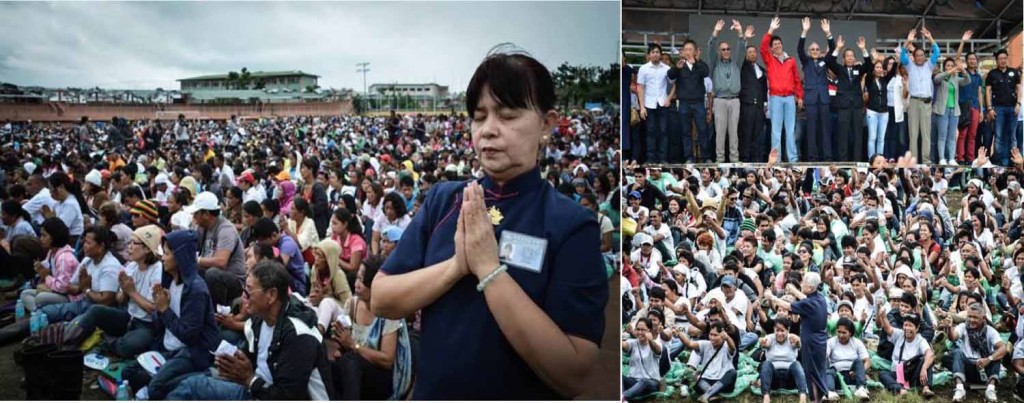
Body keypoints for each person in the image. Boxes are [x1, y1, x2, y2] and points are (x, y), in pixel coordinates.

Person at [372, 48, 607, 399]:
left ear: (547, 124)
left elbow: (573, 371)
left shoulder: (571, 225)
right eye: (479, 116)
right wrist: (455, 267)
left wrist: (489, 270)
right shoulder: (443, 201)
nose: (489, 131)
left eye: (508, 115)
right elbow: (382, 296)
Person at [168, 260, 335, 400]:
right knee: (191, 379)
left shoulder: (299, 336)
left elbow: (288, 397)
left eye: (248, 291)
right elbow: (252, 358)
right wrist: (233, 363)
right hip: (257, 390)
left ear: (271, 295)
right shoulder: (259, 319)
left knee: (192, 387)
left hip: (266, 394)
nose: (243, 298)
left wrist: (249, 379)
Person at [121, 229, 220, 400]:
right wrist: (159, 310)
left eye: (167, 254)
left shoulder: (195, 289)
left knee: (155, 388)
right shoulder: (169, 280)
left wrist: (164, 310)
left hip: (190, 351)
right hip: (167, 348)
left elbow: (189, 336)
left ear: (180, 257)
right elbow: (160, 322)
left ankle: (196, 375)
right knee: (128, 373)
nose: (163, 258)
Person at [69, 225, 163, 357]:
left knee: (130, 345)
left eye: (133, 243)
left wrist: (132, 292)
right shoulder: (132, 267)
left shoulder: (157, 271)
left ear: (147, 248)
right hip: (129, 317)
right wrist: (124, 291)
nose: (128, 247)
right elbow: (119, 300)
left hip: (147, 324)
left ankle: (105, 344)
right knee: (96, 311)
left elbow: (154, 309)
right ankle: (68, 344)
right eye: (128, 242)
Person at [329, 255, 412, 400]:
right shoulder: (352, 305)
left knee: (351, 361)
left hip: (379, 378)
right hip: (354, 374)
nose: (357, 284)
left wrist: (353, 346)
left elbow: (387, 360)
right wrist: (338, 341)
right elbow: (342, 339)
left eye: (363, 280)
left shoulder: (388, 313)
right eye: (357, 278)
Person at [765, 271, 828, 402]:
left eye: (803, 283)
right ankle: (821, 397)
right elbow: (805, 298)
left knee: (811, 373)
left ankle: (816, 400)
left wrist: (771, 296)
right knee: (818, 371)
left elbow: (787, 305)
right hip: (820, 340)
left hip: (810, 341)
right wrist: (793, 290)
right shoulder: (820, 298)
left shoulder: (808, 304)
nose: (801, 284)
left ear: (810, 287)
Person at [39, 226, 120, 322]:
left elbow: (106, 301)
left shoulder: (110, 267)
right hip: (83, 303)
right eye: (84, 242)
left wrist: (86, 289)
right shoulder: (87, 260)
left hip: (100, 312)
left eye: (88, 243)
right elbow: (71, 286)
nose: (84, 246)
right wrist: (81, 288)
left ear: (101, 246)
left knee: (73, 326)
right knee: (44, 312)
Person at [192, 191, 246, 306]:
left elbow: (221, 262)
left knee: (212, 273)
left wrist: (196, 260)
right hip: (212, 273)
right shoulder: (203, 227)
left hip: (233, 280)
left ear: (206, 214)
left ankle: (218, 311)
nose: (193, 216)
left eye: (196, 213)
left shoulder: (225, 229)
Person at [761, 17, 804, 162]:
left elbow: (796, 79)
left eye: (779, 43)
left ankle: (792, 158)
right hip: (776, 98)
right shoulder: (769, 60)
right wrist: (771, 30)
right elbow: (762, 47)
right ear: (772, 48)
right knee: (776, 130)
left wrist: (799, 96)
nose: (778, 45)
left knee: (790, 130)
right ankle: (776, 159)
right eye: (775, 44)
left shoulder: (790, 60)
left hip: (790, 98)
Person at [943, 303, 1005, 402]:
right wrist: (949, 327)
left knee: (997, 355)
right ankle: (959, 388)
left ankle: (990, 390)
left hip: (984, 369)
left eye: (975, 317)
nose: (971, 320)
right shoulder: (963, 326)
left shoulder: (991, 331)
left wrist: (988, 359)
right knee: (957, 352)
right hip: (968, 368)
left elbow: (1003, 348)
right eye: (970, 316)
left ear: (983, 318)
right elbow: (953, 337)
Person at [825, 35, 872, 162]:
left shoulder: (859, 69)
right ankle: (843, 162)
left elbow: (869, 66)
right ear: (844, 59)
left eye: (852, 56)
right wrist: (838, 48)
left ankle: (856, 161)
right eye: (848, 56)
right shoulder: (840, 69)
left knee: (858, 136)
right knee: (843, 136)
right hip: (843, 106)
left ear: (854, 58)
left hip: (857, 106)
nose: (850, 57)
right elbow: (829, 61)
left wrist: (863, 50)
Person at [900, 27, 941, 163]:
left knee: (926, 134)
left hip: (926, 103)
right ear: (914, 57)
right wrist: (908, 41)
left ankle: (926, 160)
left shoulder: (929, 65)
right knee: (913, 134)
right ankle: (913, 160)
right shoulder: (909, 66)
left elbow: (937, 51)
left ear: (925, 57)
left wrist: (930, 37)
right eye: (917, 55)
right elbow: (902, 55)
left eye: (921, 55)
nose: (919, 57)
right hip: (914, 102)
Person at [668, 40, 712, 163]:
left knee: (703, 130)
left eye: (690, 49)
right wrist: (677, 67)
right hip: (684, 103)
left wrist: (696, 62)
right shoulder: (680, 65)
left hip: (698, 103)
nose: (687, 52)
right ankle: (689, 157)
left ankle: (706, 156)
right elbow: (670, 75)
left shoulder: (700, 64)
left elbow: (706, 72)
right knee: (686, 131)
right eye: (685, 49)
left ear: (695, 51)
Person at [797, 18, 835, 162]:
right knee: (811, 129)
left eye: (817, 49)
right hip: (811, 99)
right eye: (812, 49)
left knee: (825, 129)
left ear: (820, 52)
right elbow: (799, 49)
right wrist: (805, 31)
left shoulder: (824, 61)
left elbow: (832, 51)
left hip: (824, 99)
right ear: (809, 51)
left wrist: (828, 33)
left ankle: (827, 156)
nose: (814, 51)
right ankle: (812, 156)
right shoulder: (805, 61)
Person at [21, 217, 77, 311]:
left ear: (54, 237)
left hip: (70, 297)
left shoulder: (64, 258)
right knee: (25, 294)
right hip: (56, 291)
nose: (41, 239)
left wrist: (46, 276)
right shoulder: (51, 252)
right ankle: (40, 314)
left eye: (44, 235)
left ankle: (43, 314)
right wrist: (40, 270)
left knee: (41, 298)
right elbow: (47, 272)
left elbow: (63, 288)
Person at [708, 19, 744, 163]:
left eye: (728, 49)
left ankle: (735, 160)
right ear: (719, 51)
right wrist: (716, 32)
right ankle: (720, 160)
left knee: (734, 132)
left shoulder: (736, 63)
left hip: (735, 100)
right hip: (720, 100)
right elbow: (710, 47)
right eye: (723, 49)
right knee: (720, 133)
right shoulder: (714, 64)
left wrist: (740, 32)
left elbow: (742, 47)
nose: (726, 51)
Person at [877, 309, 935, 397]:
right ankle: (900, 390)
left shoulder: (920, 340)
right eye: (905, 325)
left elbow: (930, 354)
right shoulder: (899, 334)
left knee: (927, 360)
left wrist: (924, 368)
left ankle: (926, 388)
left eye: (910, 326)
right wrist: (883, 316)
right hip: (898, 372)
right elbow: (887, 328)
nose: (907, 328)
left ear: (917, 328)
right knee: (883, 374)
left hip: (913, 374)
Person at [678, 320, 737, 403]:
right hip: (707, 380)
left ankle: (707, 395)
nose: (712, 338)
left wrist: (727, 338)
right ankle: (713, 395)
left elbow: (733, 348)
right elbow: (689, 344)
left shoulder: (726, 346)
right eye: (711, 334)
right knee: (692, 374)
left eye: (715, 335)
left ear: (722, 335)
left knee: (732, 373)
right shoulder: (705, 344)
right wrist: (679, 334)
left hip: (722, 381)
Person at [250, 217, 308, 296]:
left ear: (273, 235)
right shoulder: (273, 245)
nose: (260, 243)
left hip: (296, 286)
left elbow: (278, 267)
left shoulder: (287, 243)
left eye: (261, 240)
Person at [758, 317, 807, 403]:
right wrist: (764, 343)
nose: (779, 333)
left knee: (797, 364)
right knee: (766, 364)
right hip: (774, 378)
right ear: (774, 330)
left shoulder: (791, 338)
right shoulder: (770, 337)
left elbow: (798, 344)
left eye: (782, 330)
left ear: (787, 330)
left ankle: (802, 396)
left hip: (790, 378)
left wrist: (798, 341)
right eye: (777, 330)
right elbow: (767, 342)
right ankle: (766, 396)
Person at [986, 49, 1022, 166]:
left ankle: (1014, 161)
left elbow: (1019, 88)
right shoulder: (992, 73)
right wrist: (990, 108)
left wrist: (1018, 104)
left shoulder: (1014, 72)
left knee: (1012, 136)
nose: (1003, 60)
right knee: (999, 136)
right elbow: (987, 91)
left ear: (1007, 58)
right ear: (997, 60)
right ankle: (998, 161)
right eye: (1000, 59)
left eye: (1004, 58)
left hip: (1012, 108)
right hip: (998, 108)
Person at [637, 43, 671, 163]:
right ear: (649, 55)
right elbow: (640, 88)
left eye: (657, 52)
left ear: (660, 54)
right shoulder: (643, 69)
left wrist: (669, 98)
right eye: (652, 52)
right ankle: (650, 158)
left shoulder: (667, 69)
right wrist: (641, 107)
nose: (655, 54)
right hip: (649, 104)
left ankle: (662, 158)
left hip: (662, 102)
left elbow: (675, 84)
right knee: (650, 132)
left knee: (663, 131)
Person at [309, 239, 352, 333]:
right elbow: (312, 294)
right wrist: (313, 299)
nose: (316, 258)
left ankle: (319, 332)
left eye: (320, 256)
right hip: (321, 308)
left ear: (328, 259)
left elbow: (348, 304)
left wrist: (323, 297)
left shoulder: (338, 275)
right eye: (315, 254)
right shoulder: (314, 270)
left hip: (340, 313)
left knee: (326, 303)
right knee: (305, 304)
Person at [825, 317, 871, 400]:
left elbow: (867, 361)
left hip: (852, 375)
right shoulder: (831, 342)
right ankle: (830, 391)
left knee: (858, 361)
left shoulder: (857, 342)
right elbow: (824, 356)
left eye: (844, 332)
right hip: (836, 375)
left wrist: (859, 372)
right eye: (838, 332)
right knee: (827, 367)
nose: (841, 335)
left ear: (850, 333)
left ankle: (860, 388)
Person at [740, 37, 769, 162]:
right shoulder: (743, 68)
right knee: (746, 133)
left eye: (754, 52)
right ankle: (745, 158)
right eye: (749, 52)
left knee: (758, 133)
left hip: (759, 106)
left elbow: (764, 87)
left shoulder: (761, 70)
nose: (752, 54)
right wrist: (744, 38)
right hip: (747, 105)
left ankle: (756, 158)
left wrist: (765, 103)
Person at [622, 317, 663, 400]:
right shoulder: (633, 342)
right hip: (633, 381)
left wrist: (651, 340)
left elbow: (658, 350)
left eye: (643, 330)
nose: (640, 332)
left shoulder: (656, 343)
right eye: (638, 329)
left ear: (649, 331)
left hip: (651, 382)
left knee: (644, 381)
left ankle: (623, 397)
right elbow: (624, 345)